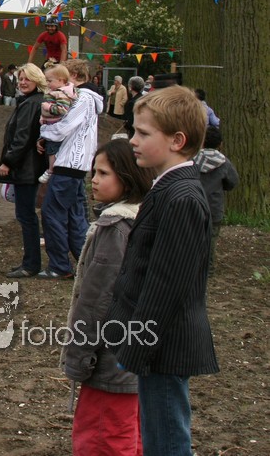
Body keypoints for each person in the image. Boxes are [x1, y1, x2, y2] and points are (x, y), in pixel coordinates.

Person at [107, 86, 219, 455]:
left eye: (143, 133)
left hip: (163, 345)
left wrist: (139, 344)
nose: (132, 140)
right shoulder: (166, 188)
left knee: (167, 441)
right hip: (155, 342)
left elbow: (167, 283)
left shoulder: (182, 198)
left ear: (177, 141)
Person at [61, 138, 152, 455]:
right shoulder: (147, 220)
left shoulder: (115, 228)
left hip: (111, 358)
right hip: (138, 352)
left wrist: (79, 355)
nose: (94, 180)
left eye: (103, 173)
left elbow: (97, 299)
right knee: (131, 435)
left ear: (126, 177)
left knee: (103, 438)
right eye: (93, 172)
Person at [38, 59, 102, 279]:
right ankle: (87, 263)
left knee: (52, 213)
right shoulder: (85, 98)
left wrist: (44, 132)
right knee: (75, 216)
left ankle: (60, 266)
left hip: (69, 163)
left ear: (72, 76)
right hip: (76, 164)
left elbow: (64, 128)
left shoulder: (83, 98)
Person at [0, 63, 49, 278]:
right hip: (29, 166)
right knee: (26, 216)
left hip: (26, 168)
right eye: (20, 78)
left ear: (37, 80)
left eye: (27, 78)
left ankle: (30, 264)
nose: (23, 82)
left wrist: (8, 161)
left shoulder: (31, 103)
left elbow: (22, 136)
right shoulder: (31, 101)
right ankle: (30, 262)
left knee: (26, 216)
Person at [194, 125, 238, 274]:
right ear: (220, 144)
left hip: (194, 204)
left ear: (201, 142)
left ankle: (191, 265)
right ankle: (208, 268)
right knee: (211, 238)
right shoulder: (224, 162)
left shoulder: (192, 160)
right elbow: (233, 182)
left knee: (193, 235)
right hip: (214, 207)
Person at [37, 64, 78, 184]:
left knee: (52, 149)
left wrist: (48, 107)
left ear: (61, 80)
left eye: (50, 81)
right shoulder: (55, 92)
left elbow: (62, 110)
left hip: (56, 128)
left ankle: (51, 170)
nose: (47, 83)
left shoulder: (61, 94)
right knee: (49, 147)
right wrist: (43, 117)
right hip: (50, 125)